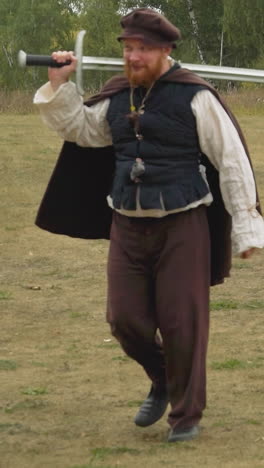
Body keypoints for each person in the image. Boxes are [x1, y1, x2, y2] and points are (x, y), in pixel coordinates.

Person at [33, 8, 264, 442]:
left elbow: (230, 159)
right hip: (128, 225)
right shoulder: (120, 94)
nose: (133, 57)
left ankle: (186, 416)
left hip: (182, 226)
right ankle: (162, 377)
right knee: (124, 320)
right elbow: (82, 130)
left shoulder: (195, 97)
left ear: (166, 50)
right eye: (128, 49)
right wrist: (58, 85)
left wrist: (247, 229)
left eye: (143, 49)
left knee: (183, 323)